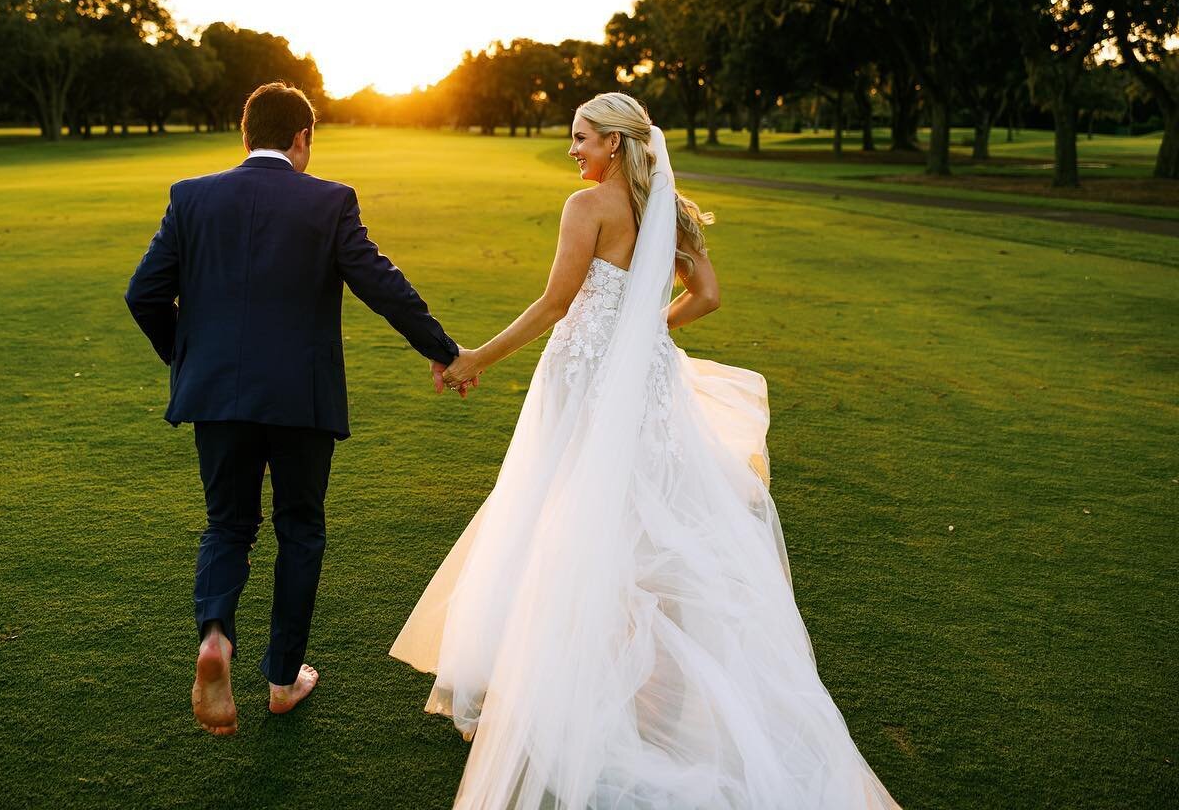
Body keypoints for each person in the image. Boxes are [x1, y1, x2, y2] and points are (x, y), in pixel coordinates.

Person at [391, 92, 903, 808]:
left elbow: (554, 304)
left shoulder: (587, 209)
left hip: (589, 379)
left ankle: (572, 693)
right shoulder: (673, 210)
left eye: (581, 138)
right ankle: (648, 695)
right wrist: (648, 327)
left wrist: (475, 357)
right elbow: (711, 295)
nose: (573, 150)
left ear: (614, 143)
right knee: (644, 518)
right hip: (650, 383)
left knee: (565, 513)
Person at [125, 82, 468, 736]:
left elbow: (144, 294)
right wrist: (443, 349)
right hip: (300, 399)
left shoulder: (190, 196)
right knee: (300, 528)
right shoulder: (330, 200)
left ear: (244, 131)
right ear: (303, 137)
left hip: (217, 396)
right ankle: (283, 680)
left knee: (228, 525)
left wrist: (189, 361)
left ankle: (216, 635)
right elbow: (381, 285)